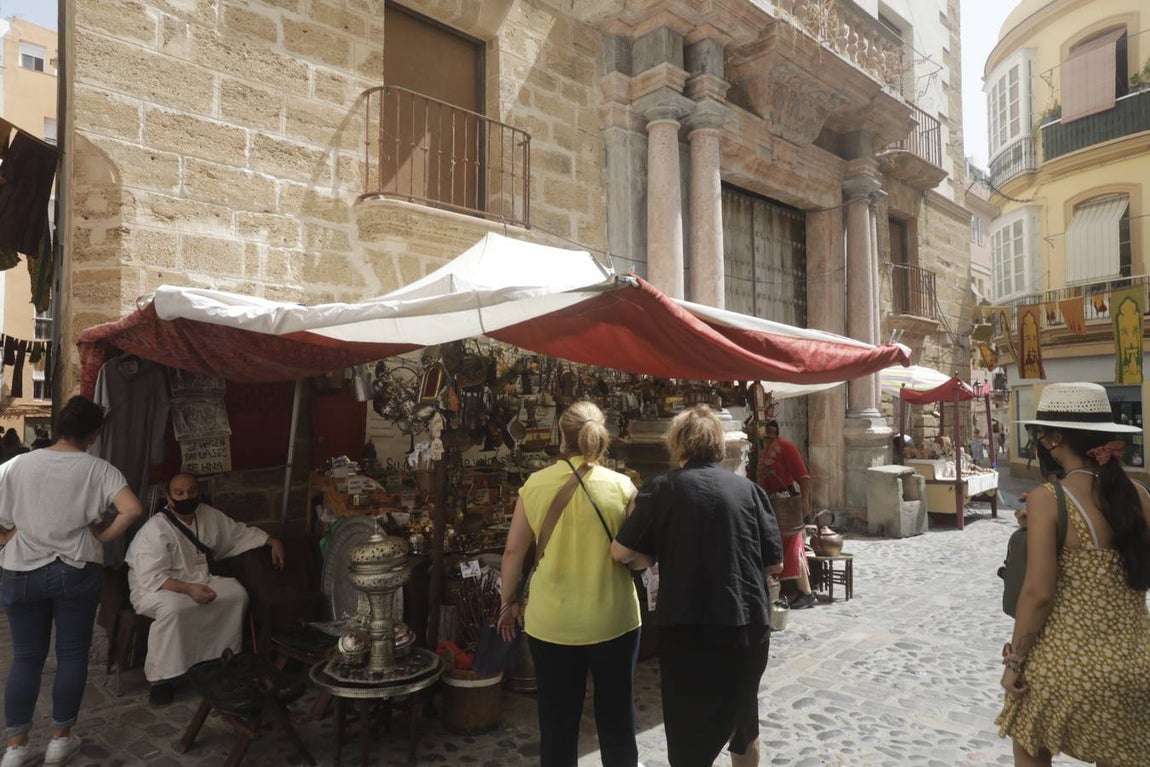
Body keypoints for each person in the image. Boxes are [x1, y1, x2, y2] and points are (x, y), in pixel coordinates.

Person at [612, 406, 784, 767]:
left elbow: (622, 552)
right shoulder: (750, 491)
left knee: (688, 731)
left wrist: (652, 552)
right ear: (718, 445)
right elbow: (775, 562)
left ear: (678, 445)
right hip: (745, 623)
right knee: (743, 722)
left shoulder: (662, 490)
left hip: (688, 627)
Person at [996, 382, 1150, 766]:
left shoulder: (1049, 499)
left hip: (1066, 666)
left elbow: (1038, 593)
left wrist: (1015, 663)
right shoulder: (1139, 496)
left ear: (1054, 439)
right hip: (1136, 665)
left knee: (1027, 734)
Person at [498, 401, 646, 767]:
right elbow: (636, 556)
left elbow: (513, 552)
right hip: (614, 620)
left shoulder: (535, 485)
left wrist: (507, 602)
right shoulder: (623, 486)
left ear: (562, 438)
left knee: (558, 724)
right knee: (617, 722)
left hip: (552, 625)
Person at [0, 396, 143, 767]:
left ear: (59, 426)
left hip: (22, 571)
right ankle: (60, 740)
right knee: (71, 655)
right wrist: (106, 536)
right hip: (76, 570)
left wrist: (8, 537)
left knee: (27, 658)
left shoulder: (17, 465)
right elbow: (132, 509)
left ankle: (16, 747)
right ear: (93, 434)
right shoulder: (99, 469)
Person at [125, 472, 286, 706]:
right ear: (168, 498)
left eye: (191, 491)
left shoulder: (208, 515)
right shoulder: (155, 529)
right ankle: (163, 680)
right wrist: (189, 590)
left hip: (199, 578)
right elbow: (151, 576)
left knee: (235, 594)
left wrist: (272, 541)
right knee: (174, 609)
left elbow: (237, 534)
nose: (186, 496)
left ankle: (221, 662)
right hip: (156, 587)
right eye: (179, 493)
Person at [755, 420, 816, 609]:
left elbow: (803, 476)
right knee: (784, 543)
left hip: (786, 502)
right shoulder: (766, 450)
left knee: (794, 541)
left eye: (772, 428)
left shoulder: (786, 447)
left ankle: (806, 592)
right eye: (766, 428)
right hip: (773, 502)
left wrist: (805, 501)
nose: (769, 432)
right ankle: (791, 589)